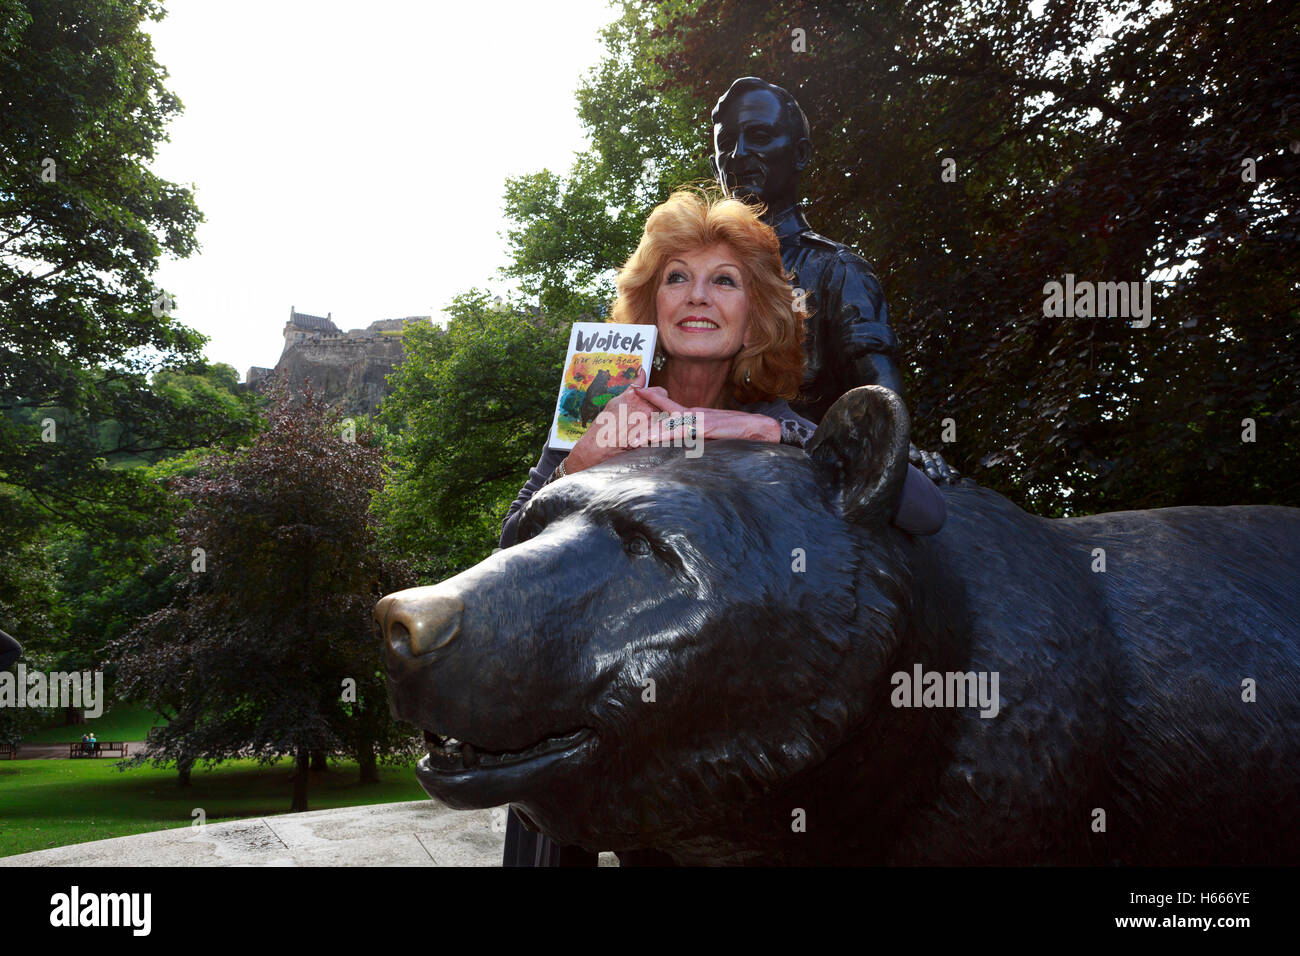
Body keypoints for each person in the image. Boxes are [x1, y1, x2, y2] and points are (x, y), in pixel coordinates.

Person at [499, 189, 945, 866]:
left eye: (724, 281)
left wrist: (766, 434)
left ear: (755, 315)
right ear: (653, 305)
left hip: (719, 731)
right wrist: (577, 467)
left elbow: (922, 510)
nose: (697, 296)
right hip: (600, 705)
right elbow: (508, 558)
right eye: (677, 277)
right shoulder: (600, 411)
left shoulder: (780, 426)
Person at [710, 76, 956, 481]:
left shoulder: (837, 269)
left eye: (758, 136)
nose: (738, 155)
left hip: (795, 480)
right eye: (726, 143)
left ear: (801, 154)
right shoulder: (680, 276)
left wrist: (889, 443)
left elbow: (876, 388)